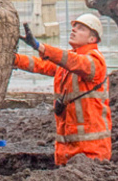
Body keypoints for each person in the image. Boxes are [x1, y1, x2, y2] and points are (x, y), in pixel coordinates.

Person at [15, 13, 112, 165]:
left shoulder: (94, 61)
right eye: (74, 27)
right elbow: (40, 64)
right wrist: (14, 59)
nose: (73, 30)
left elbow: (74, 62)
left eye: (81, 29)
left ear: (92, 39)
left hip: (91, 153)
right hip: (66, 151)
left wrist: (40, 46)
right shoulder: (68, 61)